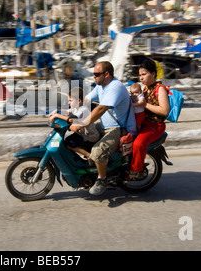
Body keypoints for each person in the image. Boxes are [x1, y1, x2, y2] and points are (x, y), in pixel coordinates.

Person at [70, 61, 136, 195]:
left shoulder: (115, 87)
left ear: (106, 74)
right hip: (105, 126)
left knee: (98, 151)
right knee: (78, 137)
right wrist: (68, 114)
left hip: (118, 129)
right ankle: (93, 165)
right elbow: (86, 101)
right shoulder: (101, 86)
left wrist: (83, 123)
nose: (93, 76)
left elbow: (101, 109)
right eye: (93, 74)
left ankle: (102, 179)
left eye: (96, 74)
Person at [130, 60, 170, 179]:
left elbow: (164, 111)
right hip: (143, 123)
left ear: (153, 74)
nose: (141, 78)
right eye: (140, 75)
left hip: (155, 126)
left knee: (138, 144)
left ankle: (136, 171)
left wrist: (145, 105)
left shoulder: (160, 89)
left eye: (144, 74)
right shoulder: (145, 89)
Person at [49, 87, 100, 158]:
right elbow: (68, 111)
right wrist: (57, 110)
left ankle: (89, 156)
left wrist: (56, 115)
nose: (68, 103)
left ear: (79, 100)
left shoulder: (83, 110)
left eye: (70, 100)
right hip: (83, 134)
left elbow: (71, 119)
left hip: (90, 136)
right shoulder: (77, 108)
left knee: (69, 142)